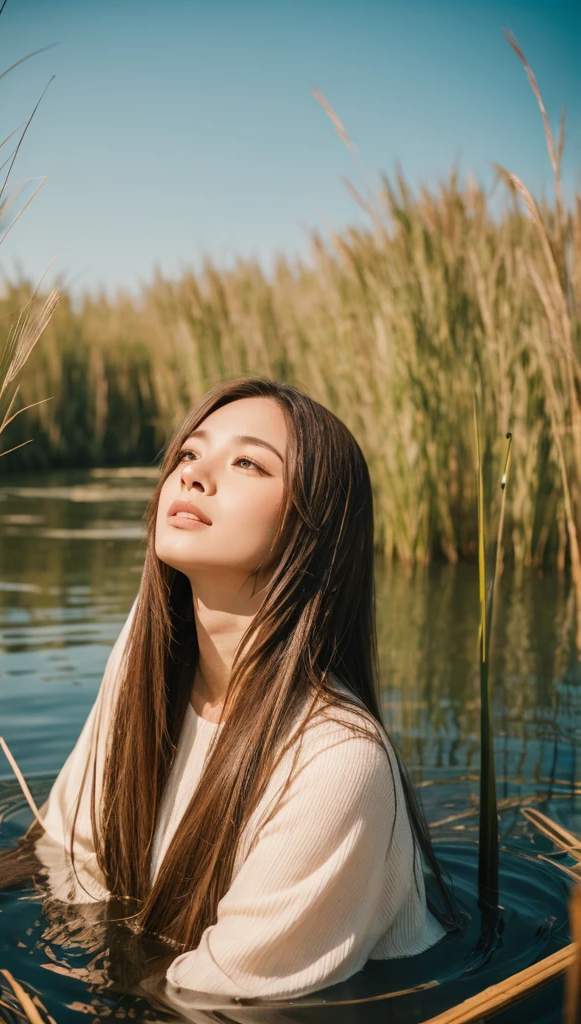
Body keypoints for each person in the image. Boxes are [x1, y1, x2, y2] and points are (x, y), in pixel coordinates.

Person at [32, 376, 463, 1001]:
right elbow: (70, 849)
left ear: (315, 531)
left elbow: (213, 999)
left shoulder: (337, 762)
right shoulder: (143, 661)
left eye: (247, 462)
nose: (194, 475)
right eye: (188, 452)